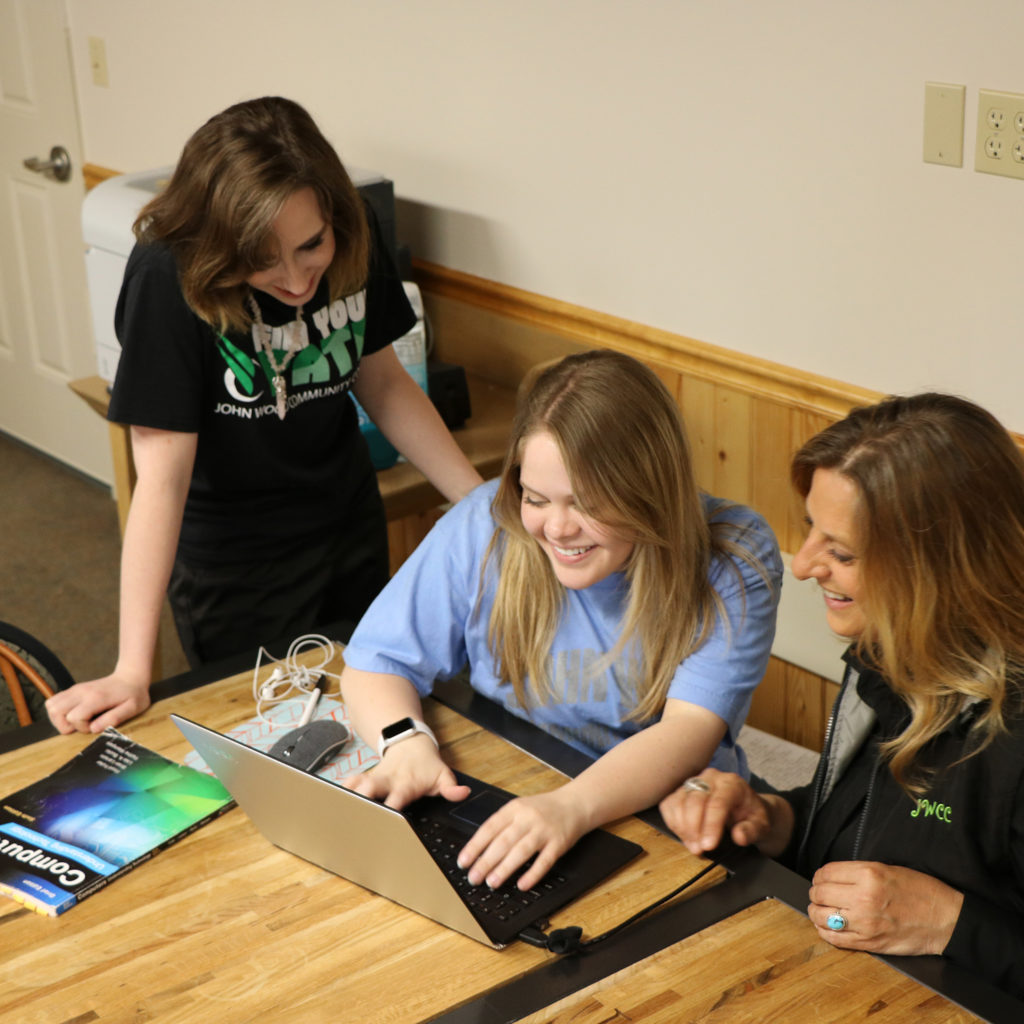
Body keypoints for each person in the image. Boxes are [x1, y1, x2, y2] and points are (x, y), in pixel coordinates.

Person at [47, 97, 482, 736]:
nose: (298, 280)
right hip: (234, 563)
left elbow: (383, 382)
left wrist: (480, 507)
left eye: (311, 247)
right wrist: (131, 668)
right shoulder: (168, 273)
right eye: (261, 258)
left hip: (345, 526)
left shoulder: (353, 231)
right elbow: (160, 481)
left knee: (374, 723)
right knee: (279, 742)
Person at [339, 349, 781, 893]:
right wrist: (405, 743)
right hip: (525, 778)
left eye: (587, 503)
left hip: (677, 817)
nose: (556, 529)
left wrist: (569, 808)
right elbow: (376, 660)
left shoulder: (735, 553)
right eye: (536, 498)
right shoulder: (485, 521)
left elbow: (688, 731)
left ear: (650, 489)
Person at [661, 392, 1024, 998]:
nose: (802, 566)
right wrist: (771, 818)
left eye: (842, 553)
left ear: (939, 569)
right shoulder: (885, 656)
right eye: (811, 533)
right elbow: (871, 823)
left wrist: (952, 925)